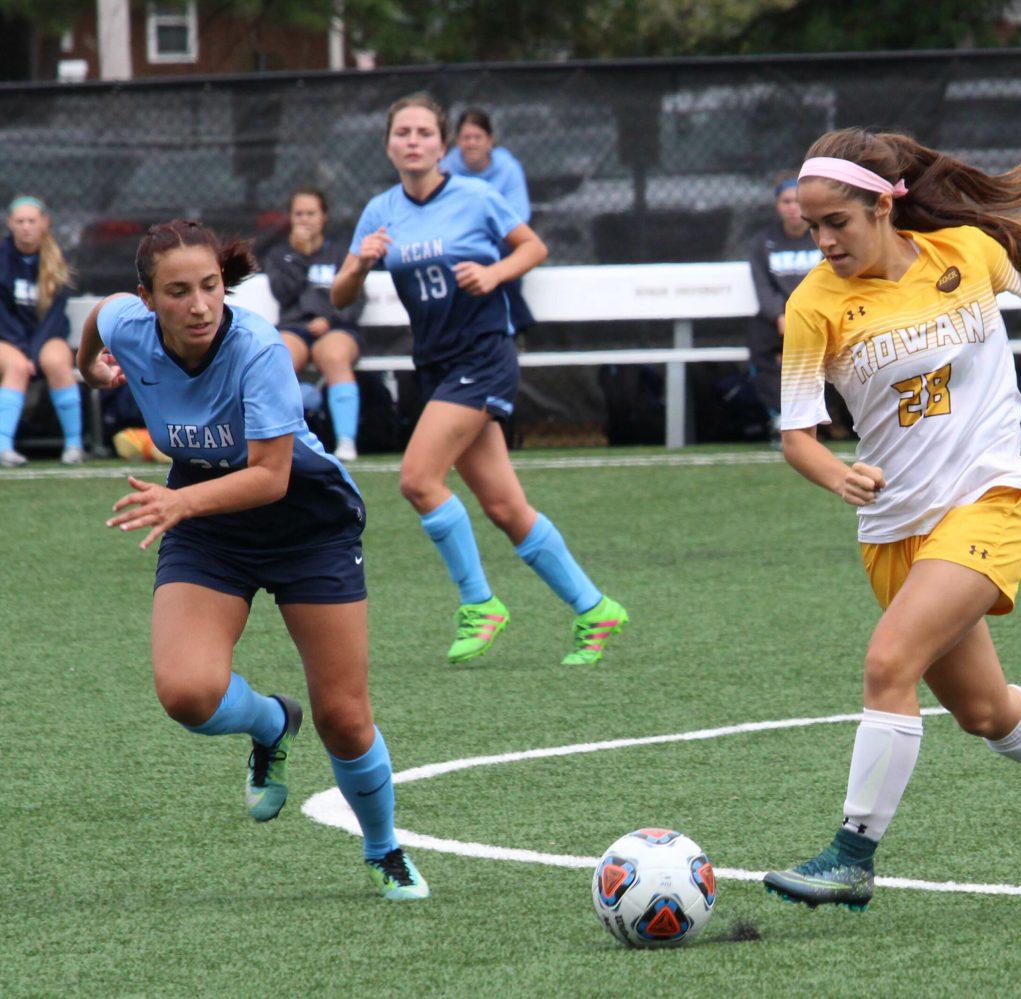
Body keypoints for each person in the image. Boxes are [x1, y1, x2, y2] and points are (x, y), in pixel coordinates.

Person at [760, 129, 1021, 911]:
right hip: (893, 530)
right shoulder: (814, 304)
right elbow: (796, 438)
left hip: (987, 499)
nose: (825, 240)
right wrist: (839, 472)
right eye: (813, 226)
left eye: (837, 220)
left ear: (883, 204)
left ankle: (852, 855)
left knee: (887, 664)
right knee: (984, 711)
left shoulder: (966, 253)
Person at [75, 219, 427, 902]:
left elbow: (271, 477)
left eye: (210, 286)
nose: (200, 304)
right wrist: (90, 365)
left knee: (345, 716)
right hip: (211, 527)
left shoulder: (258, 348)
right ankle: (271, 721)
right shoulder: (129, 324)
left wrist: (181, 503)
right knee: (186, 692)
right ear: (148, 298)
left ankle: (384, 849)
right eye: (178, 291)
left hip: (306, 523)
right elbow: (97, 317)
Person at [332, 92, 627, 666]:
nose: (412, 141)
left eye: (423, 132)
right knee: (504, 507)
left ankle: (479, 603)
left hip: (484, 354)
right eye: (402, 133)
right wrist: (359, 263)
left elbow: (533, 247)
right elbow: (341, 296)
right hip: (437, 365)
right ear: (388, 144)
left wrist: (494, 273)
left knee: (418, 479)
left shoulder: (475, 196)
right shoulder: (380, 210)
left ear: (442, 146)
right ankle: (595, 608)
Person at [262, 186, 366, 462]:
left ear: (324, 217)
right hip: (295, 329)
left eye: (311, 213)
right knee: (278, 360)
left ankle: (346, 442)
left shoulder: (341, 255)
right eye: (299, 214)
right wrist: (299, 255)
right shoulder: (279, 256)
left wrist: (329, 320)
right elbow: (283, 293)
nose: (305, 220)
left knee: (333, 356)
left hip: (335, 328)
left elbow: (355, 300)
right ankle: (278, 439)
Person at [0, 195, 84, 466]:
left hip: (46, 336)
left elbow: (53, 315)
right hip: (7, 338)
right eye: (20, 221)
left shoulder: (57, 260)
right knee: (16, 367)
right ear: (10, 224)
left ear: (44, 223)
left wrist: (35, 352)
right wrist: (23, 352)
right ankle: (3, 447)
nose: (26, 227)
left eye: (32, 221)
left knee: (57, 360)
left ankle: (74, 445)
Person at [441, 107, 535, 331]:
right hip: (459, 240)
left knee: (497, 256)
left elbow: (519, 216)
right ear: (457, 141)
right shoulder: (446, 169)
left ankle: (508, 326)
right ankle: (519, 323)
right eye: (465, 138)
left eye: (477, 137)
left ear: (490, 140)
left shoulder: (508, 168)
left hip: (500, 240)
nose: (471, 143)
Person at [746, 177, 824, 446]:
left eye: (798, 202)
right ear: (777, 205)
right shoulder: (762, 242)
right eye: (786, 202)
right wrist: (779, 315)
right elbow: (762, 285)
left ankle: (818, 417)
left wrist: (804, 315)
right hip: (777, 318)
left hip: (816, 315)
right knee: (760, 346)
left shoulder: (822, 236)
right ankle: (781, 416)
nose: (793, 208)